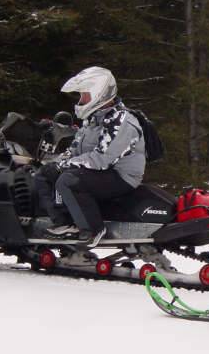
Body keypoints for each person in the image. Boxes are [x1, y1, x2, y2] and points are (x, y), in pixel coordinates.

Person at [34, 66, 145, 247]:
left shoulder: (121, 121)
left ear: (99, 93)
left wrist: (66, 166)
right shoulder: (93, 120)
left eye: (85, 95)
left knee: (68, 180)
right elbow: (75, 149)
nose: (81, 100)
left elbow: (102, 158)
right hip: (96, 171)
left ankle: (92, 230)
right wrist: (55, 163)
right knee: (44, 174)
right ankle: (64, 223)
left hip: (121, 176)